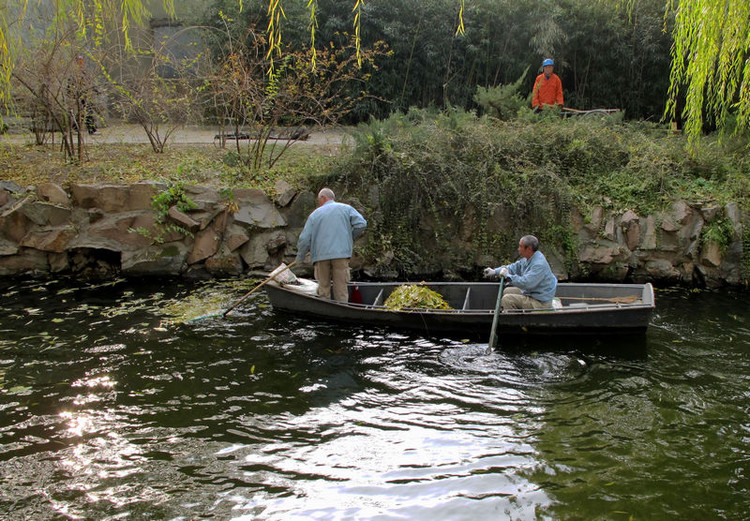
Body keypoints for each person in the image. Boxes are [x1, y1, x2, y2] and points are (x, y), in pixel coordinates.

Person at [296, 188, 367, 302]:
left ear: (323, 198)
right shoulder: (346, 209)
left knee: (323, 288)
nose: (319, 202)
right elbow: (361, 224)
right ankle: (343, 310)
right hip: (341, 255)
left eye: (319, 199)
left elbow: (304, 238)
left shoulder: (315, 215)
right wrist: (350, 237)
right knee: (341, 288)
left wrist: (300, 256)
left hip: (321, 256)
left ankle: (326, 311)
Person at [483, 235, 557, 310]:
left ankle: (514, 321)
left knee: (507, 300)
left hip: (540, 301)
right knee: (507, 290)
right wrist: (495, 271)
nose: (518, 249)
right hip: (533, 293)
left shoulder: (539, 265)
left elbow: (526, 283)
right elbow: (513, 267)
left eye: (520, 246)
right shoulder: (528, 258)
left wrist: (508, 276)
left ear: (529, 249)